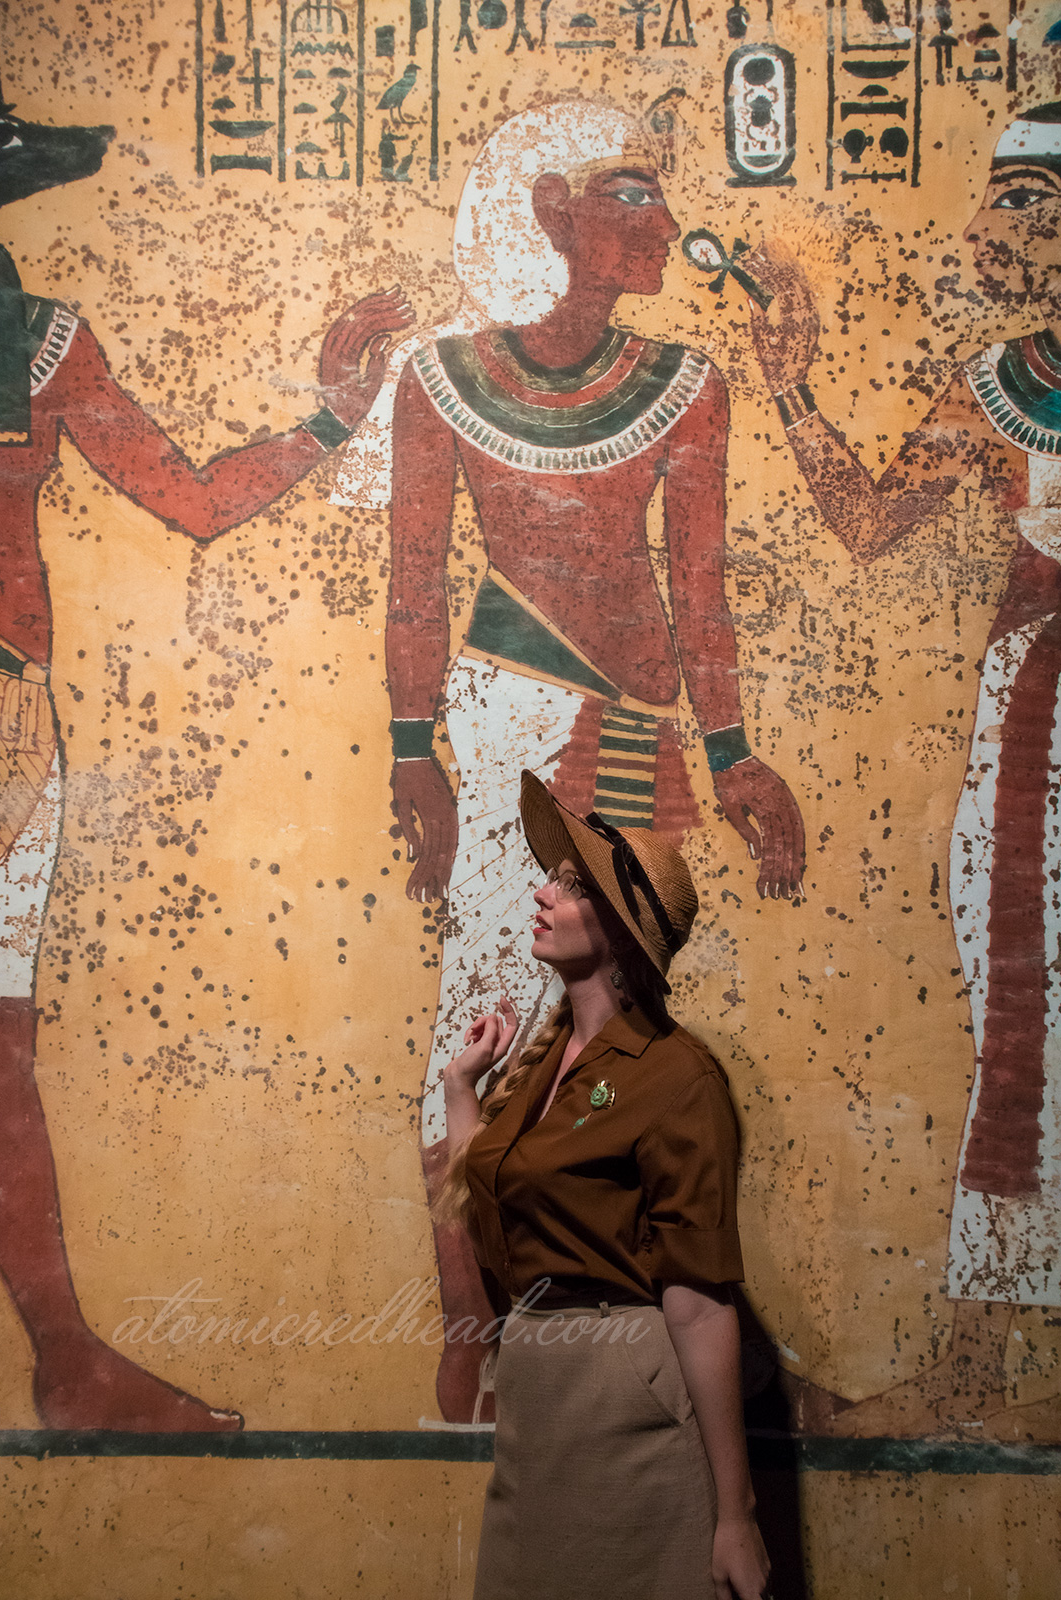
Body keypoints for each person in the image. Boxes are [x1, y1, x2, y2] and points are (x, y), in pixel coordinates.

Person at [371, 99, 805, 1422]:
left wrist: (731, 758)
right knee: (487, 1032)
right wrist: (415, 758)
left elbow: (701, 586)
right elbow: (411, 586)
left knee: (629, 1036)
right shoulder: (440, 380)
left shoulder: (686, 387)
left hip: (635, 740)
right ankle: (472, 1322)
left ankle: (621, 1326)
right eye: (630, 196)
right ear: (547, 211)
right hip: (505, 724)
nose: (663, 226)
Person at [0, 75, 412, 1430]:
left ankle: (67, 1363)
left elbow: (190, 499)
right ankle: (66, 1363)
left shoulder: (38, 336)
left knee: (2, 1043)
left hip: (7, 723)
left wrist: (334, 416)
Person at [748, 102, 1061, 1441]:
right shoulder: (1005, 381)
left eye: (1036, 204)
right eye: (1007, 202)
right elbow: (869, 520)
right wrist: (786, 381)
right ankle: (980, 1371)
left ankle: (979, 1378)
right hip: (1033, 713)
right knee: (1016, 1022)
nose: (1007, 232)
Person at [440, 770, 770, 1600]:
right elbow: (492, 1212)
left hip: (624, 1390)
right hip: (539, 1391)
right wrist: (460, 1091)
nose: (545, 893)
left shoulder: (675, 1074)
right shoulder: (545, 1063)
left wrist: (736, 1515)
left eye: (572, 886)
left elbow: (697, 1299)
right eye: (554, 877)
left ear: (620, 929)